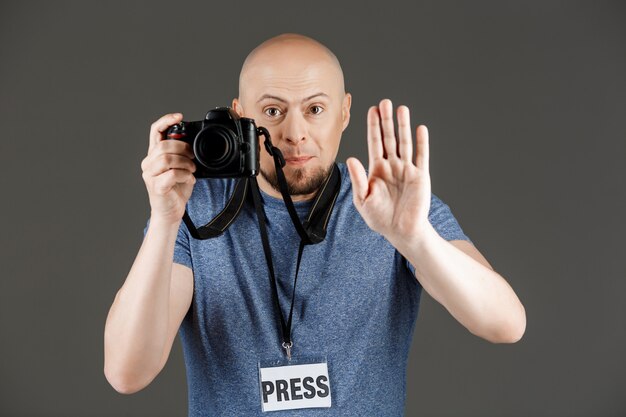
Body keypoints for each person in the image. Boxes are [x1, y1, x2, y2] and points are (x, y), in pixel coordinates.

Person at [104, 33, 526, 416]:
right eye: (273, 111)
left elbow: (505, 324)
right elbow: (127, 373)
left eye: (315, 109)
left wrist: (413, 238)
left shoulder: (393, 205)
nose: (295, 133)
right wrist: (164, 220)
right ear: (240, 117)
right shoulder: (195, 209)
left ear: (344, 113)